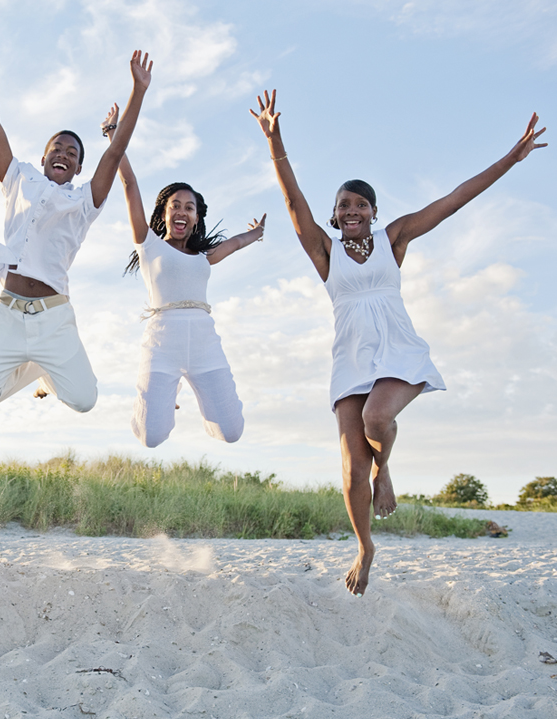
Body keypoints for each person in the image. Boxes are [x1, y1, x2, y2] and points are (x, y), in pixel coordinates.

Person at [251, 89, 547, 597]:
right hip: (350, 356)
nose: (351, 211)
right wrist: (276, 142)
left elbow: (454, 198)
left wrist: (512, 159)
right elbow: (292, 201)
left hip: (396, 349)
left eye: (360, 204)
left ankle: (385, 471)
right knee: (349, 471)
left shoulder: (395, 238)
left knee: (376, 420)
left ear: (373, 211)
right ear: (335, 214)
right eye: (343, 205)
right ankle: (365, 546)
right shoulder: (325, 251)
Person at [0, 34, 152, 413]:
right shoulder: (19, 178)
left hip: (53, 317)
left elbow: (115, 152)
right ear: (44, 157)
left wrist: (138, 92)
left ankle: (45, 362)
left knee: (84, 400)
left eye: (72, 153)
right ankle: (34, 369)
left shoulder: (84, 201)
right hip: (8, 314)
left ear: (78, 167)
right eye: (57, 149)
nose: (63, 154)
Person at [103, 105, 265, 447]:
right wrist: (113, 135)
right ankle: (159, 398)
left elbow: (234, 243)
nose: (182, 210)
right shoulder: (148, 244)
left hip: (205, 340)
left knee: (231, 433)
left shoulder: (203, 256)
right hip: (162, 341)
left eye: (189, 207)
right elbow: (130, 184)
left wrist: (256, 234)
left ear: (195, 218)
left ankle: (196, 394)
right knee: (151, 437)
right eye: (175, 204)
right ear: (165, 213)